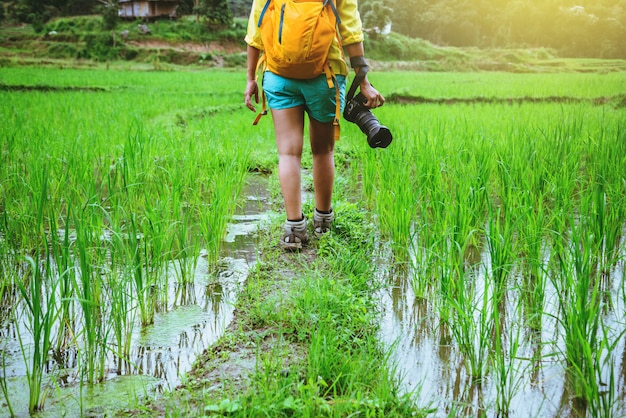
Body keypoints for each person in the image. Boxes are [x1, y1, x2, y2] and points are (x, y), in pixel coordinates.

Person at [244, 0, 385, 250]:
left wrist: (250, 78)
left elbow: (255, 30)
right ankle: (322, 221)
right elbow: (351, 31)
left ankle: (294, 229)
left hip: (278, 75)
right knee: (323, 150)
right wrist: (363, 80)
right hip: (325, 76)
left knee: (288, 153)